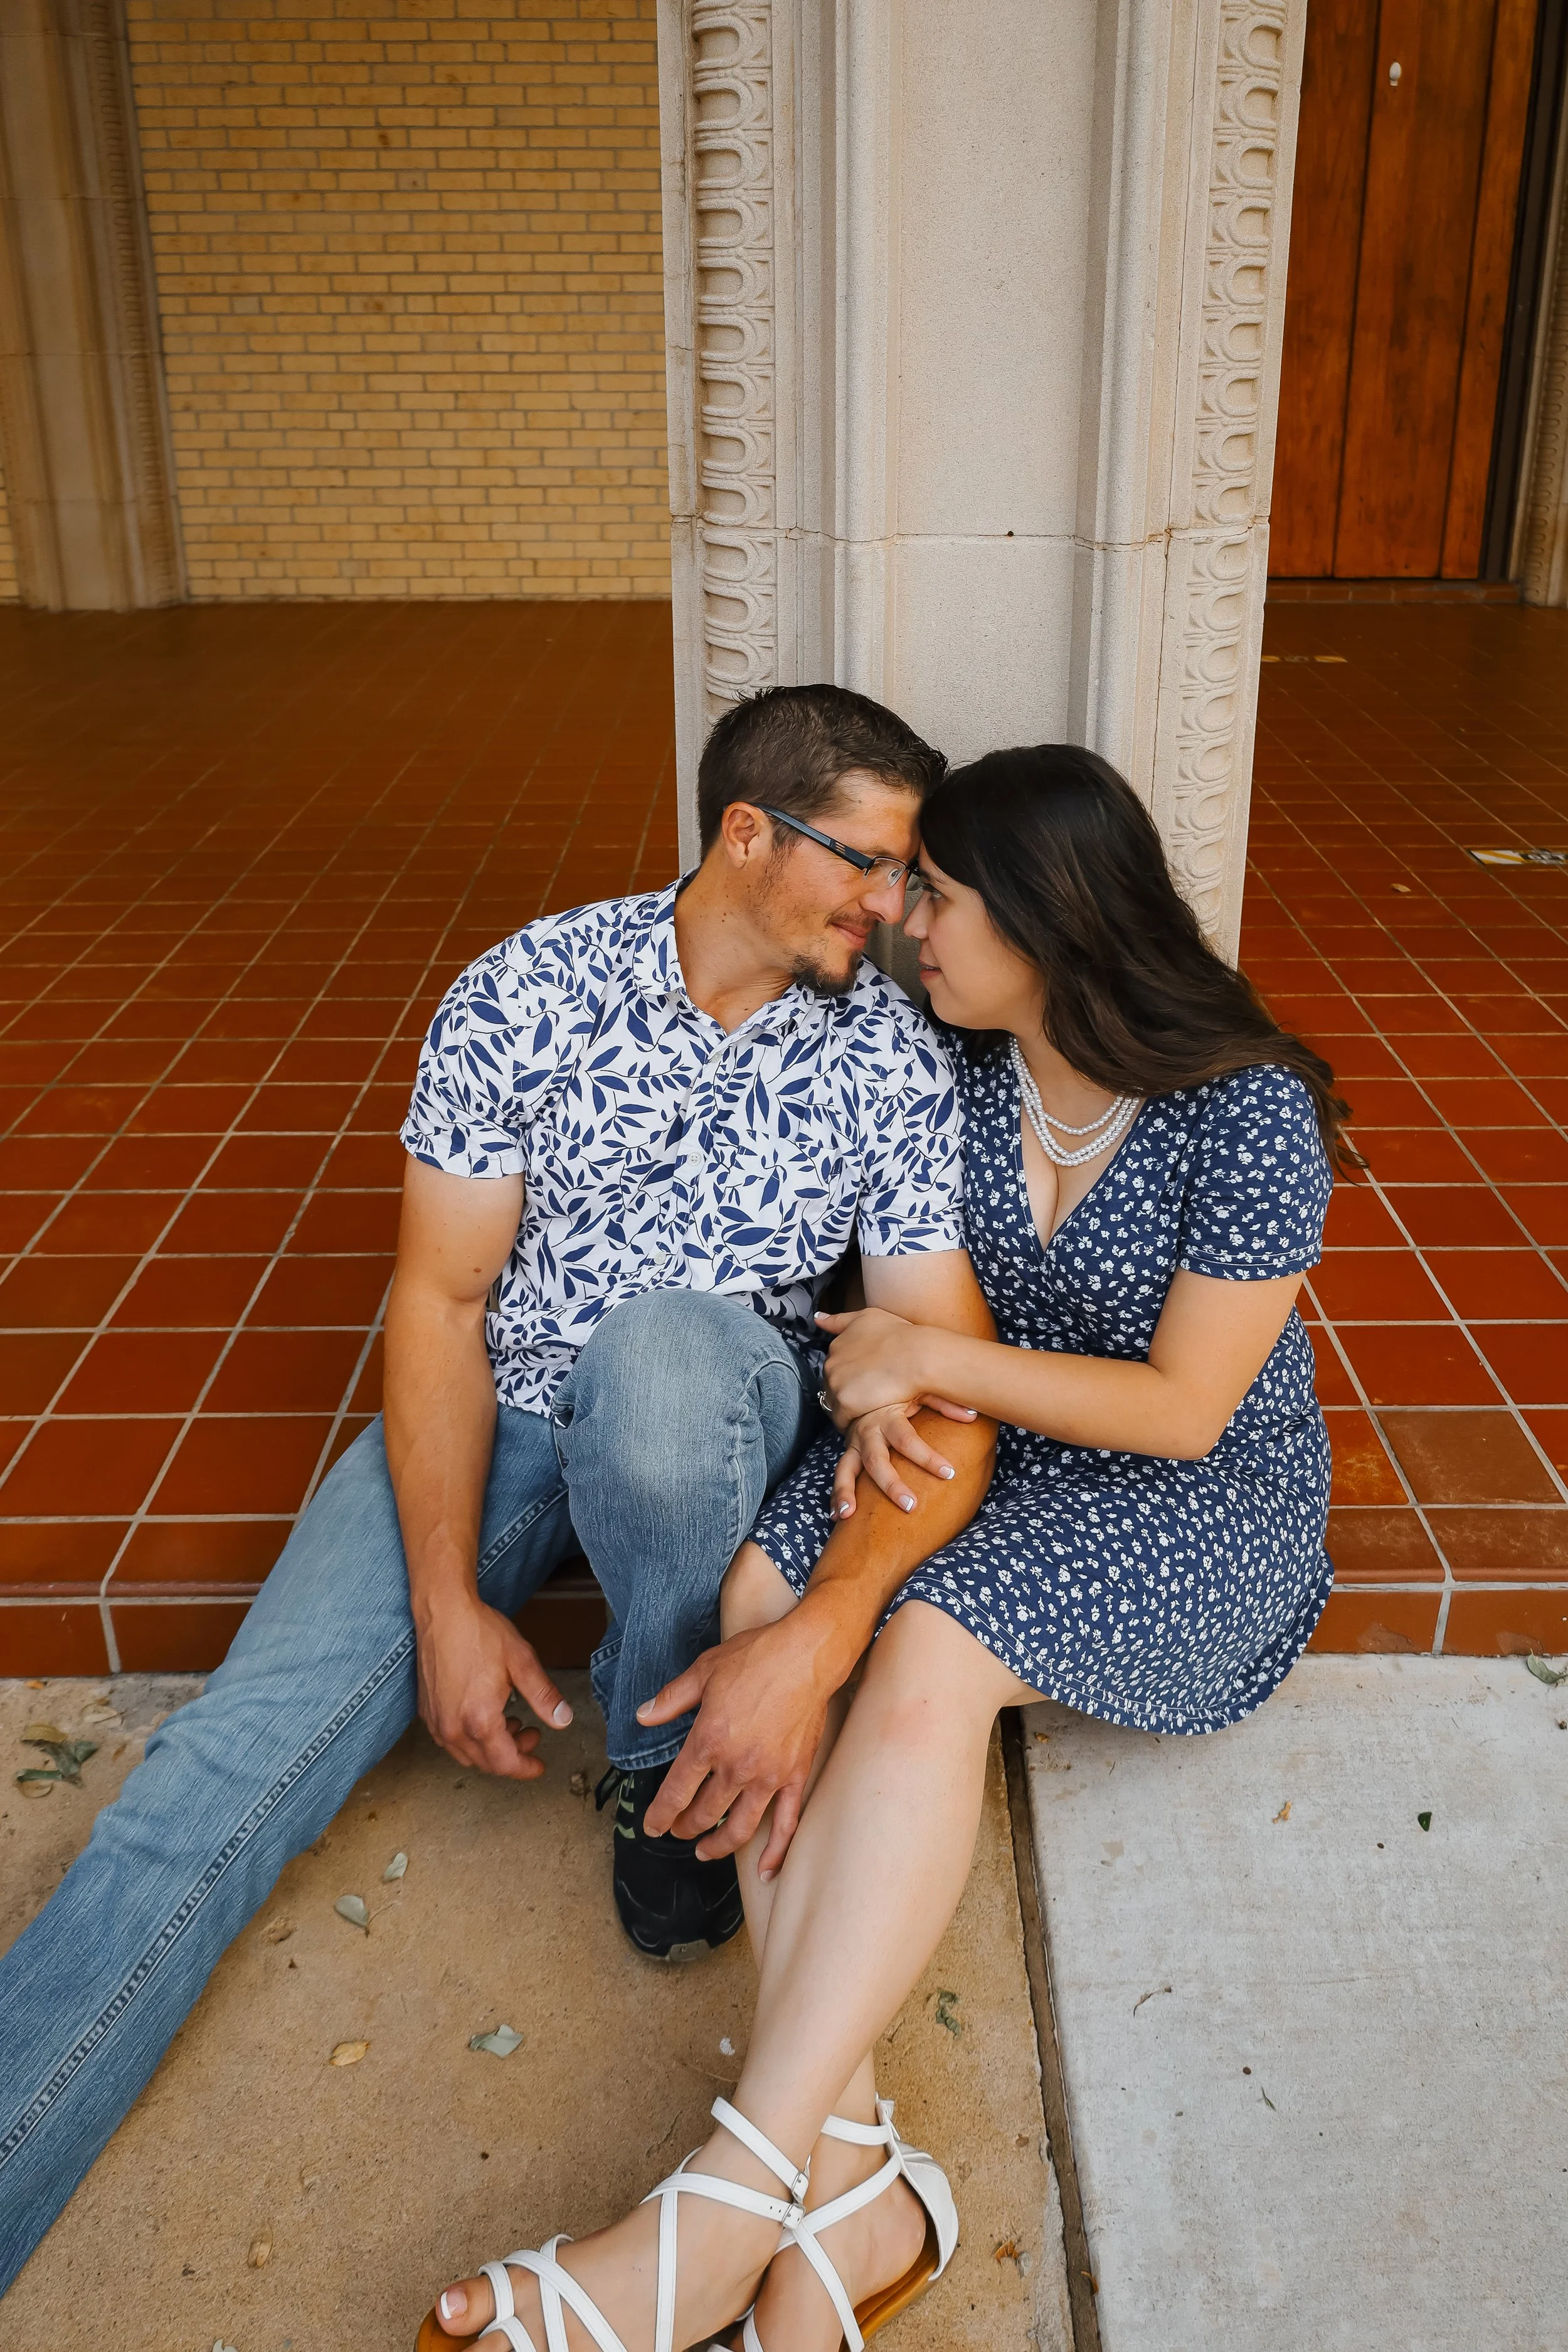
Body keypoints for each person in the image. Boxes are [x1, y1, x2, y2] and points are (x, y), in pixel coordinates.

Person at [0, 685, 997, 2301]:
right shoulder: (524, 991)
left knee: (661, 1357)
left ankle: (663, 1783)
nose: (890, 907)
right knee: (213, 1775)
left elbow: (949, 1379)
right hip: (509, 1413)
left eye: (905, 874)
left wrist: (820, 1632)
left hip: (715, 1416)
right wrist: (444, 1599)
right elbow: (442, 1303)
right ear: (747, 833)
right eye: (866, 863)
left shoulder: (883, 1053)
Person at [413, 744, 1356, 2352]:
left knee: (924, 1648)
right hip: (983, 1448)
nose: (909, 925)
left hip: (1195, 1499)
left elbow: (1186, 1409)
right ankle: (850, 2178)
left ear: (1048, 917)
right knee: (762, 1588)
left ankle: (726, 2197)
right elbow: (891, 1312)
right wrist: (895, 1390)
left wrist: (923, 1362)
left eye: (942, 898)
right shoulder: (959, 1071)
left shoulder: (1245, 1108)